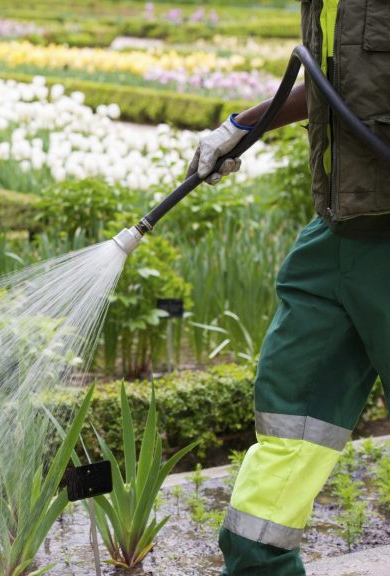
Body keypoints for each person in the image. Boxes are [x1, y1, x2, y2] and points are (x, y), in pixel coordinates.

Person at [187, 1, 390, 574]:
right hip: (335, 236)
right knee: (291, 413)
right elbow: (339, 87)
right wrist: (242, 126)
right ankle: (258, 563)